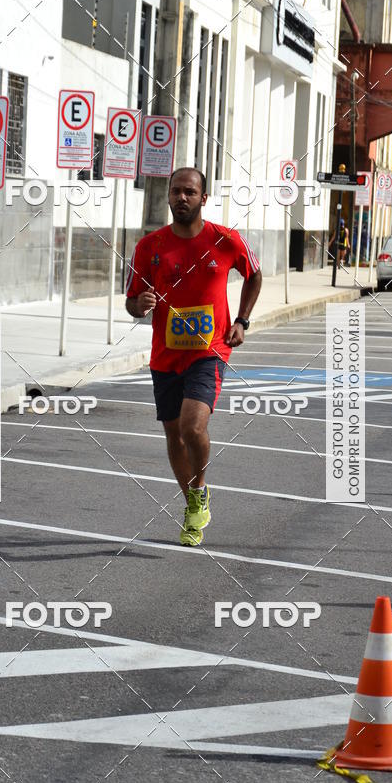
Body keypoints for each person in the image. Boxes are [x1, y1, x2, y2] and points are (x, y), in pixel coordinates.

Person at [125, 167, 262, 546]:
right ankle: (192, 506)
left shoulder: (225, 240)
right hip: (165, 355)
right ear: (168, 196)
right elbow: (131, 302)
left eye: (189, 192)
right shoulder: (149, 247)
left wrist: (242, 321)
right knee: (173, 433)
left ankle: (199, 486)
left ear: (204, 198)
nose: (181, 198)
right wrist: (141, 304)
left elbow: (254, 275)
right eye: (175, 191)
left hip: (210, 350)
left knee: (192, 427)